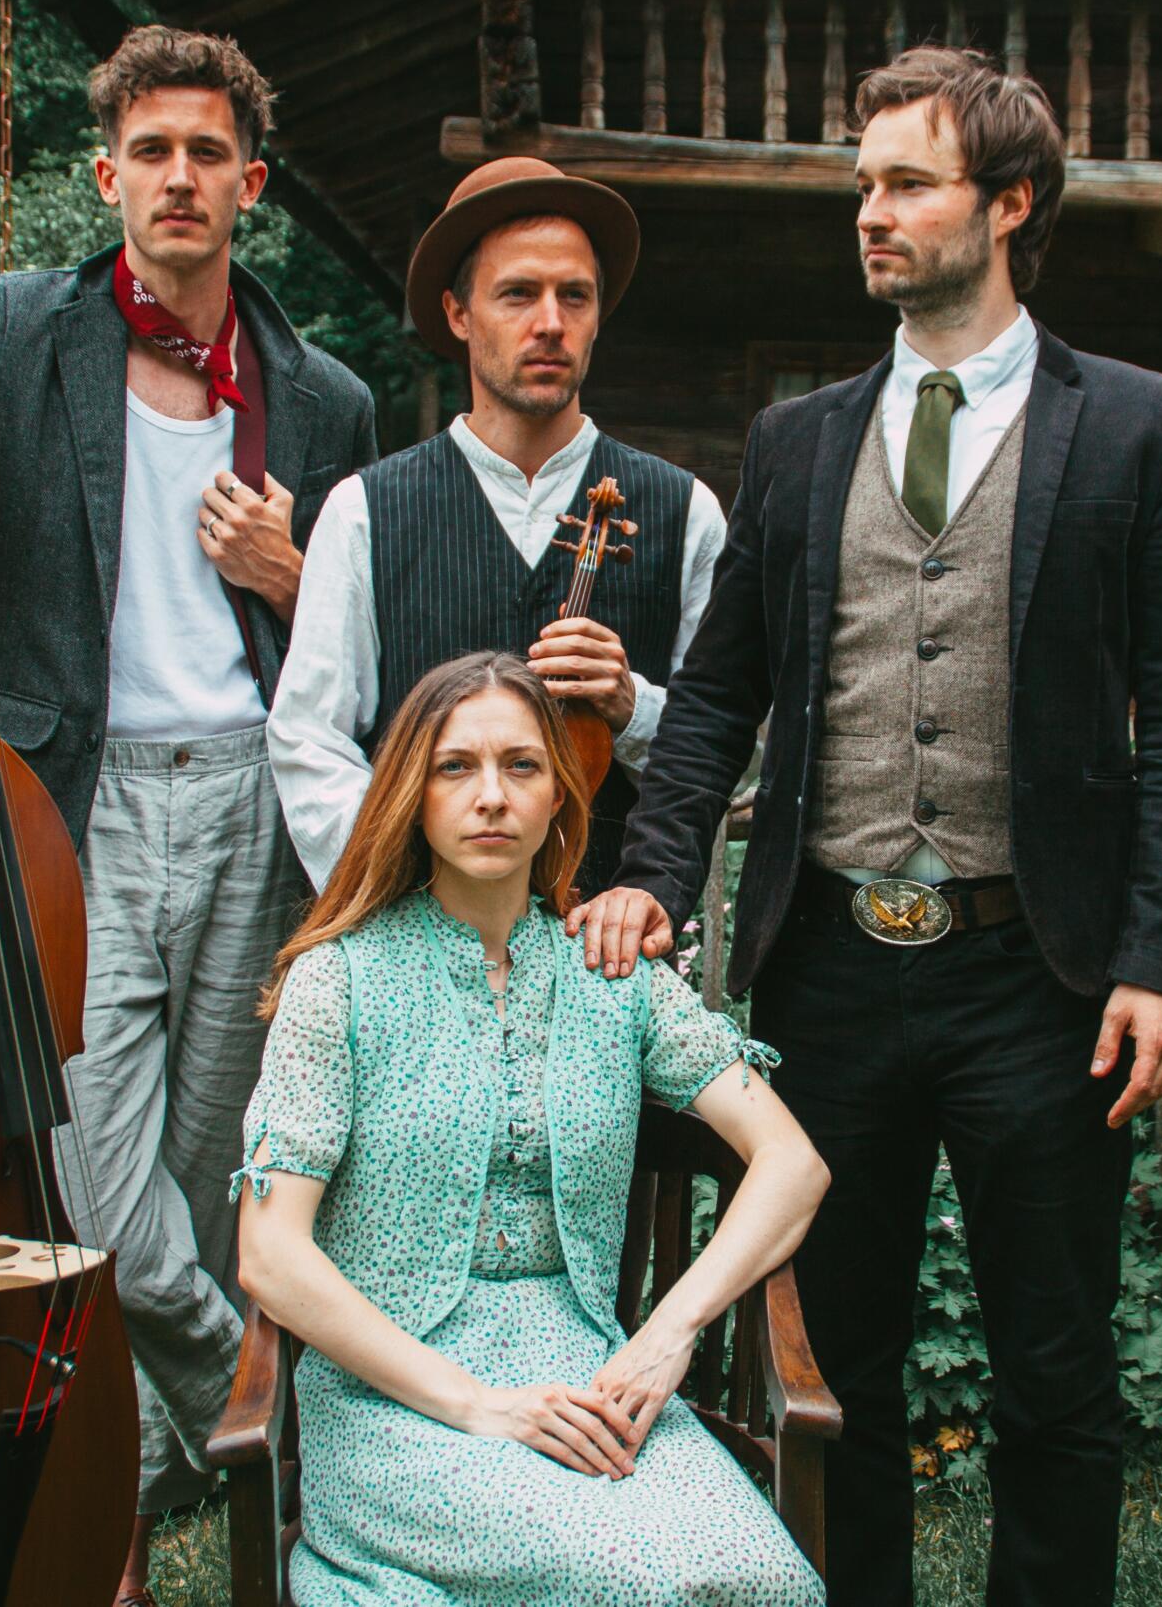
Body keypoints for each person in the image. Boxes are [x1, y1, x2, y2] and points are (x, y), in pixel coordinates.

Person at [566, 46, 1162, 1606]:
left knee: (1055, 1374)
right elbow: (718, 697)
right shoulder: (800, 438)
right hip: (834, 975)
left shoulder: (1142, 426)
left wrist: (1159, 961)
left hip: (1041, 975)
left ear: (1007, 205)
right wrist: (659, 879)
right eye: (862, 184)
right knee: (836, 1360)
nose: (869, 212)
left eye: (906, 183)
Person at [0, 27, 378, 1605]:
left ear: (254, 183)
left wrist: (298, 580)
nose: (180, 176)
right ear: (106, 177)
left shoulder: (323, 395)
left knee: (203, 1178)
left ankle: (115, 1521)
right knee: (106, 1199)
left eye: (209, 152)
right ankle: (286, 1456)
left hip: (259, 803)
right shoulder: (14, 336)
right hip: (70, 812)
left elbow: (369, 647)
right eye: (149, 150)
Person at [231, 650, 829, 1605]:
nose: (491, 795)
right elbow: (269, 1253)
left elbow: (792, 1165)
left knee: (757, 1578)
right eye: (455, 766)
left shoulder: (612, 972)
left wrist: (666, 1334)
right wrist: (478, 1405)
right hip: (396, 1401)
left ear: (562, 795)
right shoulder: (336, 981)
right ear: (410, 797)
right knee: (635, 1582)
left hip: (592, 1384)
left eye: (521, 766)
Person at [267, 157, 726, 900]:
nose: (550, 322)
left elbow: (723, 746)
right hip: (415, 946)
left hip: (606, 945)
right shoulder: (364, 511)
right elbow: (309, 738)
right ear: (457, 312)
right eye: (518, 294)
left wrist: (632, 706)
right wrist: (402, 889)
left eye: (574, 296)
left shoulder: (687, 511)